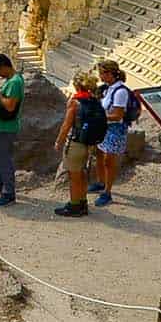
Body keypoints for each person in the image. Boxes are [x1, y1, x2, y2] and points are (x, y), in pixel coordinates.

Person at [54, 69, 107, 218]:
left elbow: (66, 125)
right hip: (89, 143)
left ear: (77, 86)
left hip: (76, 143)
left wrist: (59, 141)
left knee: (74, 176)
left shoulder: (75, 102)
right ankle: (82, 202)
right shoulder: (94, 100)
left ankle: (74, 205)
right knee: (82, 173)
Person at [91, 60, 133, 208]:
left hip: (115, 130)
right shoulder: (108, 89)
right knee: (100, 155)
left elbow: (117, 116)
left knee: (109, 161)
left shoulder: (120, 92)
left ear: (110, 73)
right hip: (105, 128)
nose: (101, 77)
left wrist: (97, 117)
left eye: (102, 74)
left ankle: (107, 192)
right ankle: (100, 182)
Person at [0, 54, 24, 207]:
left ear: (4, 67)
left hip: (7, 127)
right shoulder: (12, 80)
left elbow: (10, 105)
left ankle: (8, 192)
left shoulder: (14, 83)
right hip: (0, 125)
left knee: (4, 159)